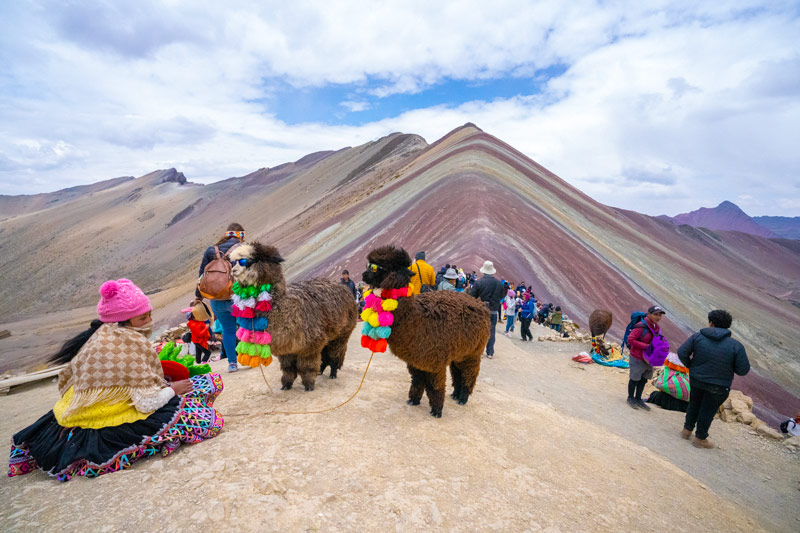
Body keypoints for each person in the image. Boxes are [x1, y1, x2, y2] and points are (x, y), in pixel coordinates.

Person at [8, 279, 223, 481]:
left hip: (75, 416)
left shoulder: (99, 336)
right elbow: (146, 403)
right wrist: (173, 389)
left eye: (149, 315)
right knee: (203, 415)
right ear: (122, 321)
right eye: (142, 318)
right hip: (112, 419)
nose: (149, 322)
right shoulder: (129, 344)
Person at [678, 309, 750, 449]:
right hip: (719, 385)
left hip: (697, 379)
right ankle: (700, 438)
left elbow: (682, 352)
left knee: (694, 403)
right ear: (727, 326)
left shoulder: (697, 337)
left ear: (710, 323)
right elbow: (743, 370)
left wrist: (691, 366)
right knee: (708, 409)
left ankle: (686, 431)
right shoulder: (736, 346)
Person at [197, 223, 245, 373]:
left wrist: (198, 297)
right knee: (246, 326)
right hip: (237, 298)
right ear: (240, 235)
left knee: (228, 331)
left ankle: (232, 363)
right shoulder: (242, 249)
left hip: (216, 299)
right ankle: (250, 356)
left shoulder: (211, 250)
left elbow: (201, 276)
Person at [626, 305, 666, 411]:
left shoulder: (656, 327)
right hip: (637, 356)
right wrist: (646, 346)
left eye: (660, 315)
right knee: (634, 379)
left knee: (643, 379)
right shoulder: (640, 326)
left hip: (649, 358)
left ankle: (638, 399)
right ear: (648, 314)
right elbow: (631, 339)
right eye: (655, 314)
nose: (658, 317)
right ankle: (630, 398)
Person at [470, 260, 505, 359]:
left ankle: (479, 351)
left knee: (479, 331)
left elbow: (471, 296)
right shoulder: (499, 284)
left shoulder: (479, 282)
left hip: (481, 311)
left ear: (483, 271)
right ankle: (490, 352)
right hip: (493, 311)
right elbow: (501, 296)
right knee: (491, 331)